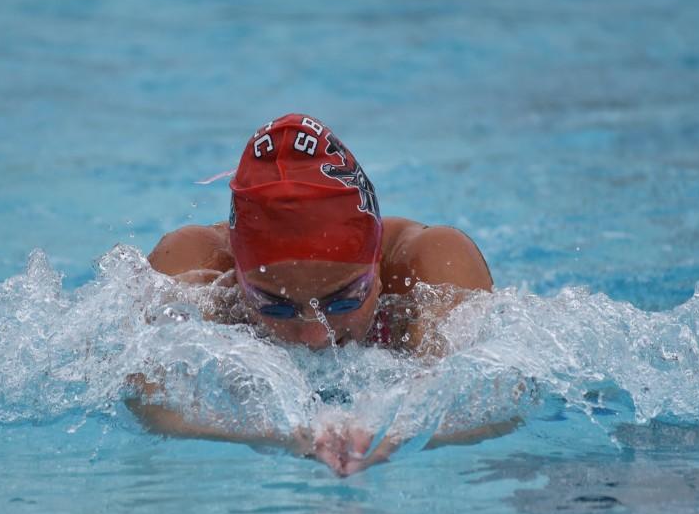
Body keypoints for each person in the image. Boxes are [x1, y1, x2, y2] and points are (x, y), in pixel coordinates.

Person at [126, 114, 512, 476]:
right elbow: (149, 400)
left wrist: (399, 433)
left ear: (377, 263)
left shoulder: (430, 265)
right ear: (238, 278)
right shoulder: (198, 267)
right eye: (276, 306)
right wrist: (274, 432)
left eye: (343, 300)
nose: (315, 336)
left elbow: (498, 401)